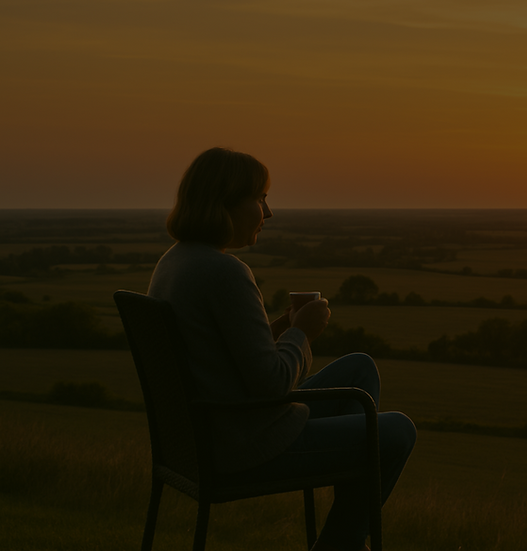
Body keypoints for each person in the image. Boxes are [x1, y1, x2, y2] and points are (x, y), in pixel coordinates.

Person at [147, 147, 415, 551]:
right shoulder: (225, 272)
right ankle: (340, 544)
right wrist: (302, 333)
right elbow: (272, 384)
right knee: (397, 431)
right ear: (224, 203)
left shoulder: (176, 262)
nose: (268, 213)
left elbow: (218, 355)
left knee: (360, 367)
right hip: (246, 444)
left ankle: (346, 530)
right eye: (259, 198)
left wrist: (280, 327)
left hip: (212, 432)